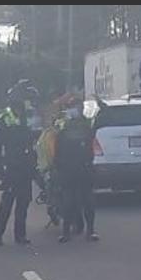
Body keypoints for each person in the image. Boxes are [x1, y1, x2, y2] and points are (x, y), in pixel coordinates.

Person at [0, 80, 40, 245]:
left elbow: (34, 141)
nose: (29, 102)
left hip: (26, 166)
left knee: (24, 203)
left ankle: (20, 235)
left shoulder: (28, 117)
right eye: (26, 98)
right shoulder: (5, 117)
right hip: (11, 167)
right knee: (7, 203)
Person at [54, 99, 98, 242]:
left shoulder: (86, 125)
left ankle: (90, 231)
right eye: (72, 107)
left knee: (88, 201)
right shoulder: (62, 125)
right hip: (68, 169)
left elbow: (91, 147)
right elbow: (57, 149)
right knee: (68, 202)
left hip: (83, 168)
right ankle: (66, 232)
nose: (74, 110)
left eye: (76, 107)